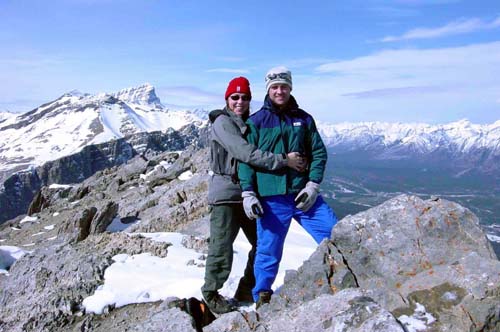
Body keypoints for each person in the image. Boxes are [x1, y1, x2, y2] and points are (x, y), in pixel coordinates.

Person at [201, 76, 306, 314]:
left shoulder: (250, 120)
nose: (240, 101)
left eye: (245, 97)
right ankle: (210, 293)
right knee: (222, 246)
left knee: (260, 243)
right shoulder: (223, 123)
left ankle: (247, 289)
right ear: (227, 99)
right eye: (235, 97)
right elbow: (245, 153)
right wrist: (283, 161)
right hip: (226, 194)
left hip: (249, 194)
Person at [238, 66, 338, 308]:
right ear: (268, 90)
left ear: (290, 88)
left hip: (303, 195)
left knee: (335, 234)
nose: (279, 91)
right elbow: (247, 160)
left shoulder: (303, 119)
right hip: (271, 198)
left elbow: (318, 152)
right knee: (268, 249)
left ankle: (350, 273)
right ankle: (262, 294)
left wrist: (313, 184)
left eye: (284, 86)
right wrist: (248, 192)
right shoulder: (256, 122)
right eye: (274, 87)